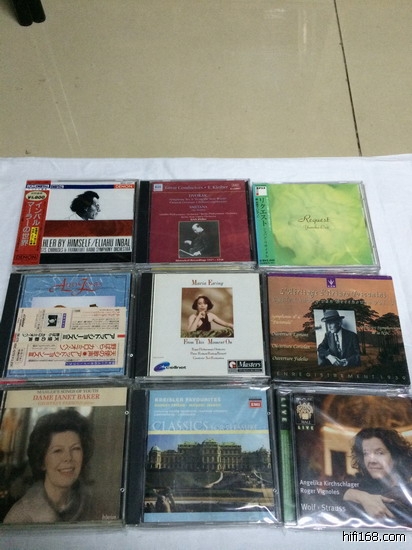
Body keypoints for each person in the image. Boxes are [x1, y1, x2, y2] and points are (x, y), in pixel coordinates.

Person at [3, 409, 94, 524]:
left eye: (75, 448)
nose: (68, 458)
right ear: (42, 461)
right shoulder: (21, 516)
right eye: (57, 450)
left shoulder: (91, 505)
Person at [343, 427, 412, 524]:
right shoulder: (362, 486)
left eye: (379, 453)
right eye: (366, 453)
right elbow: (326, 498)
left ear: (396, 457)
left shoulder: (408, 493)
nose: (371, 460)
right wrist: (360, 496)